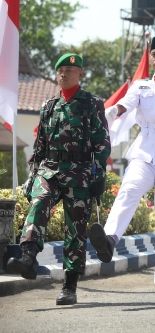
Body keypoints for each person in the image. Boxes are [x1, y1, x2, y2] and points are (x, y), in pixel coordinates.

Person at [88, 36, 155, 304]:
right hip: (145, 150)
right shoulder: (142, 85)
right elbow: (128, 103)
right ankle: (110, 240)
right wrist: (114, 111)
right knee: (129, 189)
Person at [8, 53, 111, 305]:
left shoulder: (92, 103)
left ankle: (69, 285)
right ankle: (28, 257)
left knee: (75, 228)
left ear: (80, 74)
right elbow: (40, 146)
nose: (63, 74)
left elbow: (102, 142)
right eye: (60, 70)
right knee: (39, 201)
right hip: (50, 169)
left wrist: (99, 173)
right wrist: (32, 176)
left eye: (69, 70)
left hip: (80, 172)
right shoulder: (48, 106)